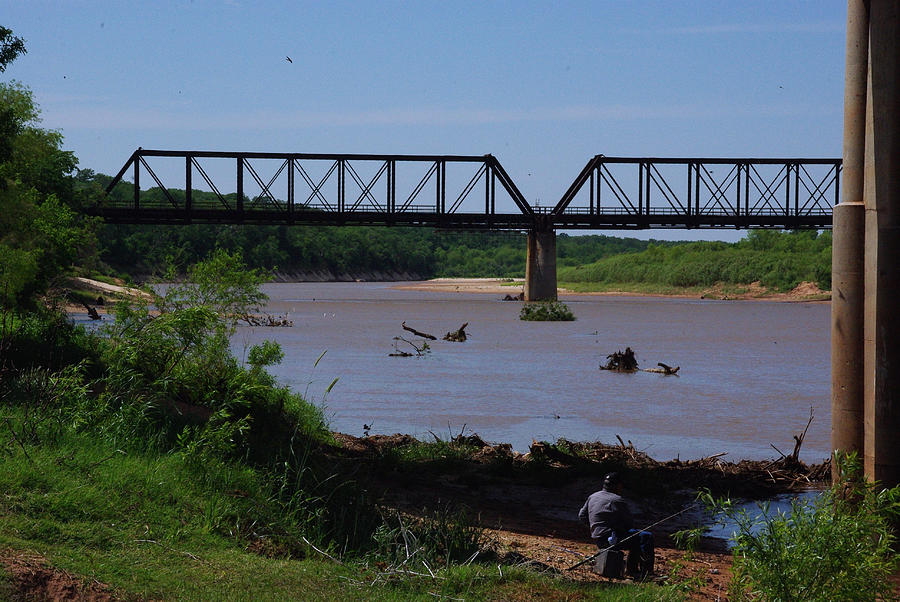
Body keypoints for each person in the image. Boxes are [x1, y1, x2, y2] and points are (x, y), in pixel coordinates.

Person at [578, 472, 654, 578]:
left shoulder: (593, 496)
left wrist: (595, 528)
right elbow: (629, 524)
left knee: (636, 536)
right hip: (611, 539)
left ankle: (633, 571)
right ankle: (645, 573)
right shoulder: (617, 500)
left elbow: (582, 516)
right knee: (645, 536)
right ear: (618, 486)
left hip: (598, 538)